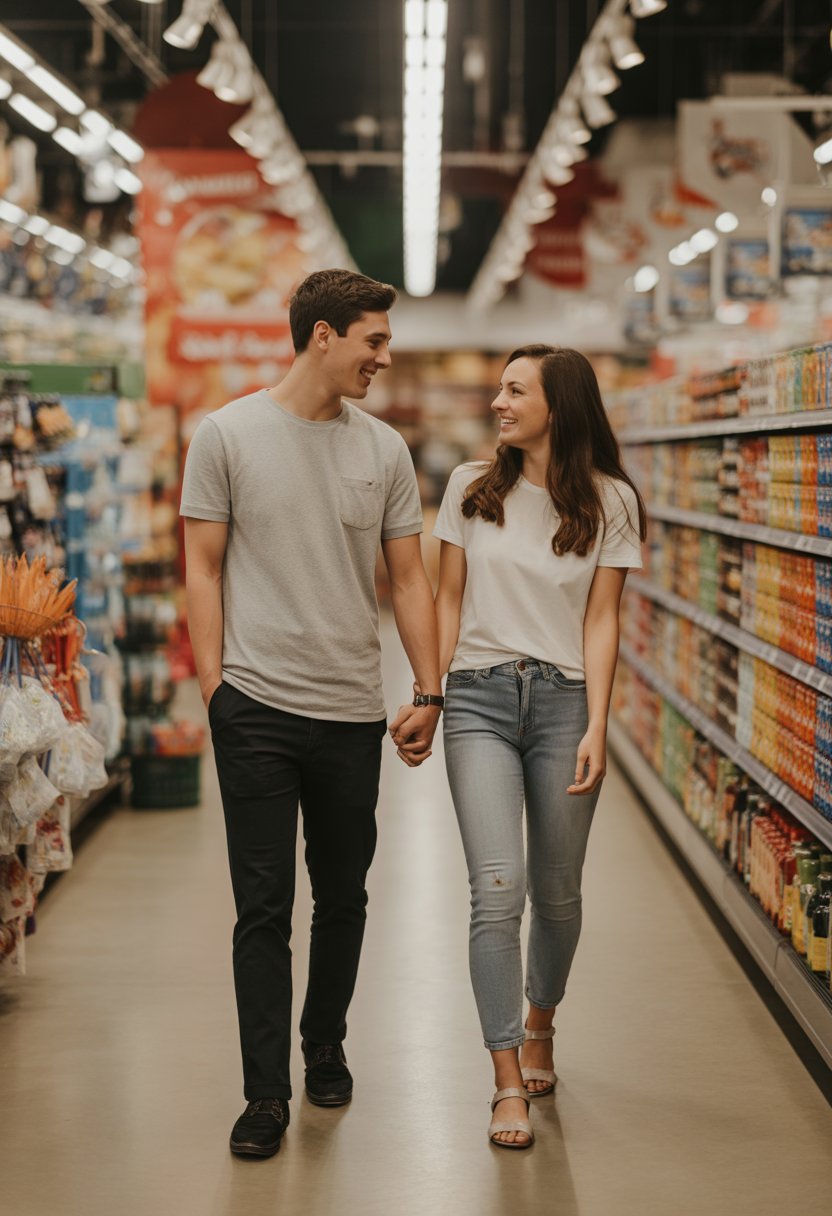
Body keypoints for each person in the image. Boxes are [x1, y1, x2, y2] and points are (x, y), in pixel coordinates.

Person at [181, 268, 442, 1159]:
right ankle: (264, 1097)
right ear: (322, 336)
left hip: (348, 711)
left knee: (344, 895)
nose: (384, 355)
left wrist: (429, 688)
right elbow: (203, 567)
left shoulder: (385, 450)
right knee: (262, 908)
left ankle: (322, 1038)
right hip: (253, 705)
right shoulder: (225, 435)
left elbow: (408, 578)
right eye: (373, 339)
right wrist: (216, 689)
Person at [419, 344, 645, 1149]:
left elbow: (603, 618)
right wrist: (431, 692)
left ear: (560, 404)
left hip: (563, 705)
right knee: (497, 888)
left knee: (558, 892)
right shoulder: (469, 491)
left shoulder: (611, 501)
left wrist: (598, 725)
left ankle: (541, 1021)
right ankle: (505, 1076)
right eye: (500, 390)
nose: (499, 404)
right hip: (478, 699)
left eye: (516, 391)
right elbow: (447, 599)